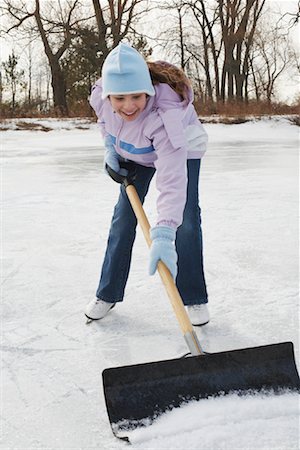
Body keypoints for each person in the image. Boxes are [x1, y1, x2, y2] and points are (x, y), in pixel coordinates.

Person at [85, 42, 209, 326]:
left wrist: (164, 233)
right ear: (108, 96)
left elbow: (172, 178)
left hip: (182, 149)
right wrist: (110, 149)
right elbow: (106, 124)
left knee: (186, 220)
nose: (128, 106)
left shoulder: (165, 118)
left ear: (149, 92)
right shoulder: (101, 98)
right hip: (137, 152)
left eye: (136, 97)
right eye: (119, 99)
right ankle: (108, 293)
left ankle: (194, 298)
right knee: (122, 219)